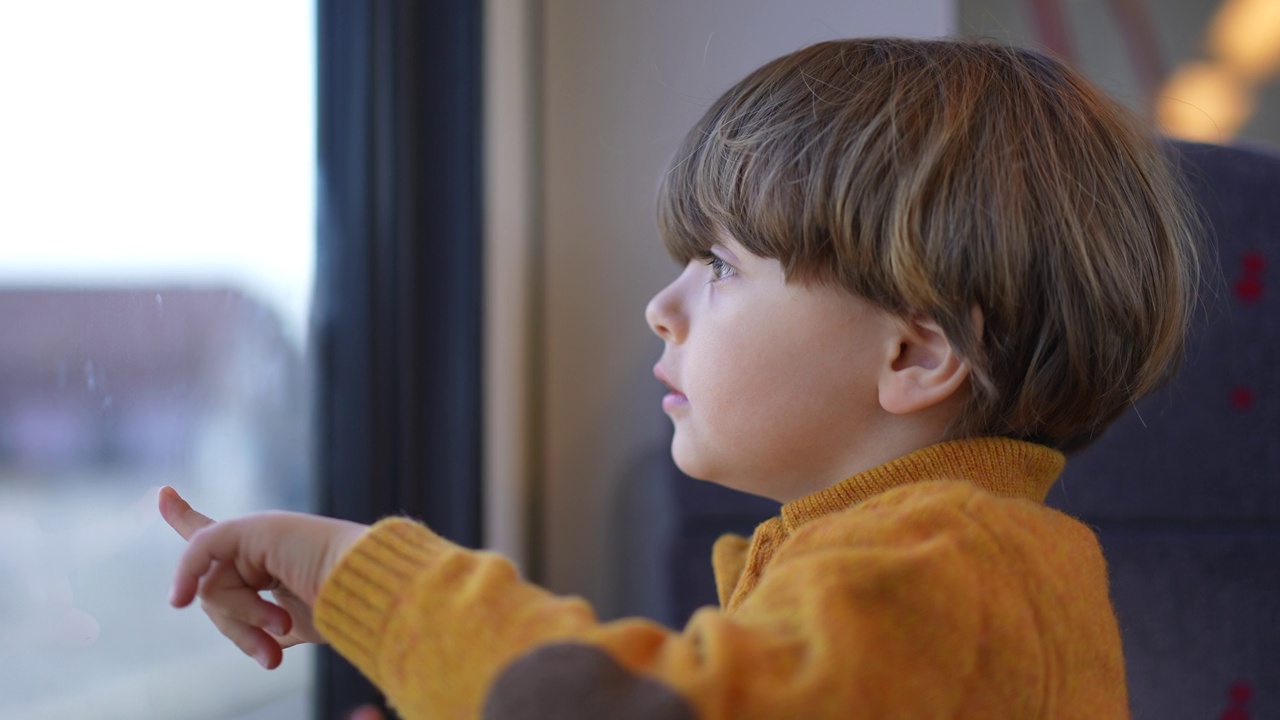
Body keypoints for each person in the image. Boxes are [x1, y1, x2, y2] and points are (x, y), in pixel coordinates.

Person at [162, 38, 1201, 719]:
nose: (661, 308)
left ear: (913, 355)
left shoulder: (944, 567)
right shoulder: (910, 556)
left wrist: (363, 578)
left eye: (718, 268)